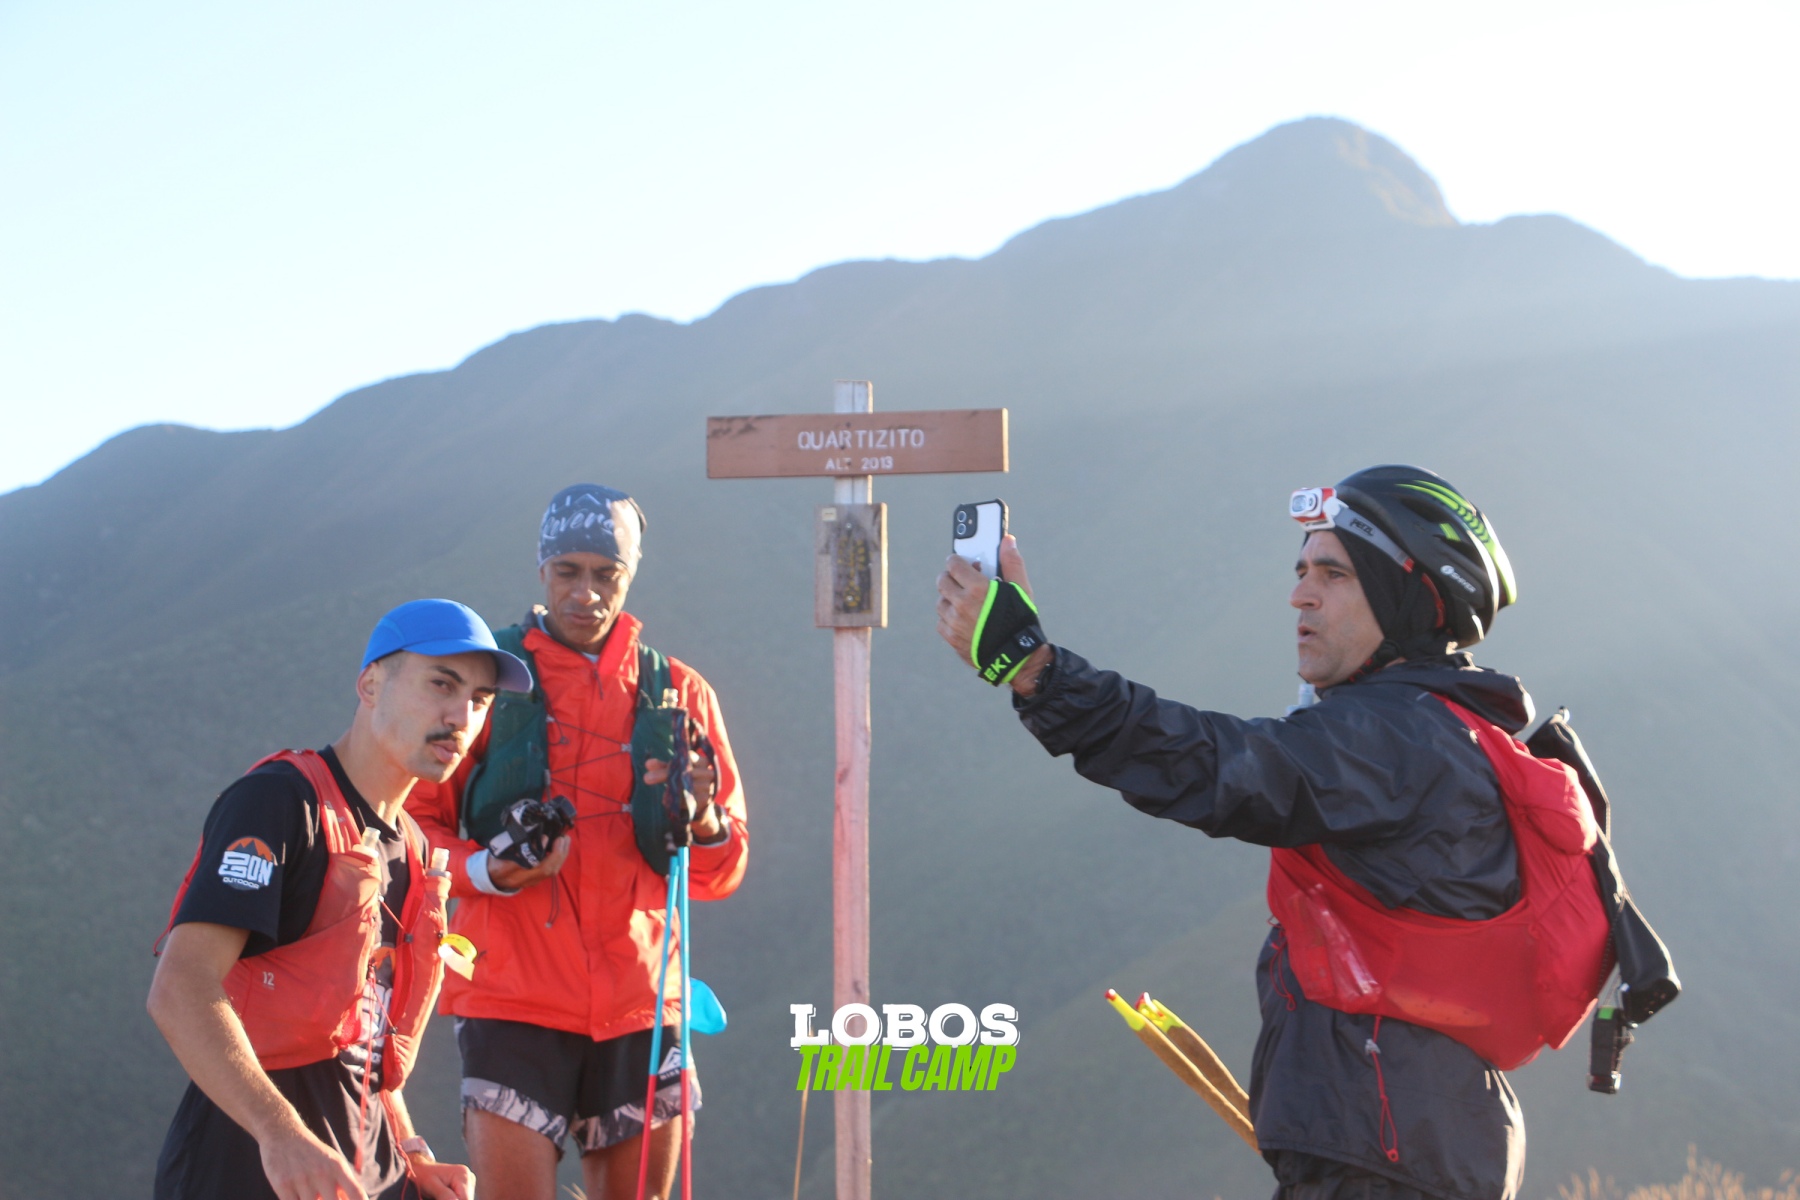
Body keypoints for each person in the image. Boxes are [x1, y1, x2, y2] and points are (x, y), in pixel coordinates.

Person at [936, 466, 1602, 1200]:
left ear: (1405, 598)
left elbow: (1216, 766)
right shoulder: (1433, 729)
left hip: (1387, 1162)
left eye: (1334, 574)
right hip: (1406, 1145)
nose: (1300, 594)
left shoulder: (1399, 739)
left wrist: (1038, 670)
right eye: (1301, 571)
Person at [406, 483, 749, 1200]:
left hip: (643, 1000)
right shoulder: (488, 682)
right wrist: (488, 869)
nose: (586, 593)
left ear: (630, 575)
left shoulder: (679, 693)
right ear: (542, 570)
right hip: (511, 998)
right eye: (568, 571)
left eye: (606, 573)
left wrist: (703, 817)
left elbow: (722, 871)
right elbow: (411, 831)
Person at [149, 598, 533, 1200]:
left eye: (481, 700)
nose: (462, 716)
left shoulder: (412, 847)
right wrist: (281, 1134)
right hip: (248, 1168)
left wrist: (411, 1153)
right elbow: (179, 988)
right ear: (371, 684)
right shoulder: (280, 803)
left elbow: (368, 1033)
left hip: (368, 1174)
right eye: (442, 684)